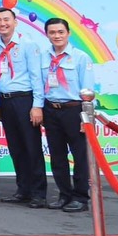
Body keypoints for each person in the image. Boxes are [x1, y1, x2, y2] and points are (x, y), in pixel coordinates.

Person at [0, 6, 47, 207]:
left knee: (32, 147)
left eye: (6, 19)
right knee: (15, 148)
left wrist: (37, 105)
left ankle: (38, 193)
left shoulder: (28, 45)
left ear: (15, 22)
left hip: (25, 100)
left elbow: (36, 77)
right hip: (5, 101)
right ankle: (23, 190)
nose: (2, 24)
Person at [41, 17, 93, 213]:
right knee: (57, 155)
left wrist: (85, 118)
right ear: (47, 34)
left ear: (68, 33)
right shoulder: (43, 57)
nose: (57, 36)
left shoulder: (81, 57)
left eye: (60, 32)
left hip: (74, 110)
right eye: (52, 32)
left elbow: (88, 90)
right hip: (51, 110)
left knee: (79, 155)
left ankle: (81, 197)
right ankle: (64, 195)